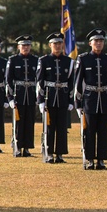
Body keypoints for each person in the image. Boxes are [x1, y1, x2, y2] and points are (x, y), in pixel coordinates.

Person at [73, 29, 107, 170]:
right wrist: (78, 103)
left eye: (101, 41)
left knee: (103, 131)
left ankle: (101, 160)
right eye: (96, 41)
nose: (98, 43)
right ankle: (90, 159)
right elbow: (78, 82)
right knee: (89, 130)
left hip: (104, 99)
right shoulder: (83, 59)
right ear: (90, 43)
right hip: (89, 99)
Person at [36, 33, 74, 163]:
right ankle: (49, 153)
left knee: (62, 127)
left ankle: (60, 154)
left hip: (63, 97)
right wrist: (40, 100)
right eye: (55, 44)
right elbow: (40, 82)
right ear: (50, 45)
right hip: (49, 97)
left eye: (59, 43)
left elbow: (71, 82)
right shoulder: (44, 60)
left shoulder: (68, 61)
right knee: (49, 126)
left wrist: (70, 100)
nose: (57, 46)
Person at [5, 35, 38, 158]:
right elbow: (8, 80)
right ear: (18, 46)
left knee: (29, 122)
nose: (25, 47)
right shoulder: (13, 60)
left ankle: (27, 147)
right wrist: (10, 98)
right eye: (23, 45)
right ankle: (17, 146)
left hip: (30, 94)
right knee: (18, 122)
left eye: (28, 45)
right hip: (18, 94)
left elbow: (39, 79)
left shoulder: (35, 60)